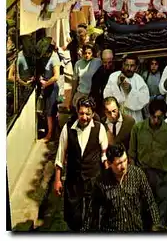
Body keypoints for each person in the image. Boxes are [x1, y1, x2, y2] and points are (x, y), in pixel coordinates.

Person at [54, 96, 108, 231]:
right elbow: (60, 155)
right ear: (77, 112)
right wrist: (57, 180)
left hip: (93, 179)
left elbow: (104, 155)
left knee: (93, 215)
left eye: (87, 114)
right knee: (73, 215)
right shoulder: (68, 128)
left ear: (93, 114)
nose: (84, 117)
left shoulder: (99, 128)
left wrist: (108, 179)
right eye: (81, 113)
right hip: (73, 179)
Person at [83, 144, 160, 232]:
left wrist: (156, 226)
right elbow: (92, 212)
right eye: (119, 163)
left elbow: (150, 203)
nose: (123, 166)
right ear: (109, 163)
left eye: (125, 160)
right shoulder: (101, 181)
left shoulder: (137, 174)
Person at [129, 99, 167, 225]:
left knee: (161, 208)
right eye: (153, 117)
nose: (156, 120)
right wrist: (134, 176)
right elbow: (132, 154)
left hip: (162, 175)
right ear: (148, 114)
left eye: (159, 117)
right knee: (143, 207)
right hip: (143, 174)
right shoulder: (138, 128)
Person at [103, 54, 150, 122]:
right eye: (126, 65)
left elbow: (145, 99)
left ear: (136, 67)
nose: (129, 68)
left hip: (134, 116)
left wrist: (130, 91)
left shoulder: (139, 80)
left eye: (132, 66)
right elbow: (107, 95)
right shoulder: (114, 76)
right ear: (123, 65)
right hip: (116, 114)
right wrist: (118, 86)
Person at [36, 37, 61, 142]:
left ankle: (50, 134)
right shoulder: (44, 58)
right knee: (47, 111)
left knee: (50, 112)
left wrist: (46, 83)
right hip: (45, 86)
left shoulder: (54, 59)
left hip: (51, 87)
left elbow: (56, 76)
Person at [71, 43, 102, 109]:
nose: (87, 55)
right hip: (81, 94)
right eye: (85, 53)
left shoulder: (98, 62)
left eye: (89, 53)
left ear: (92, 53)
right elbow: (74, 81)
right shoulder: (78, 63)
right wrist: (72, 97)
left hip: (92, 95)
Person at [89, 49, 115, 117]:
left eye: (109, 62)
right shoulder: (98, 73)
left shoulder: (117, 71)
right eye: (105, 62)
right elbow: (94, 91)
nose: (107, 65)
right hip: (102, 104)